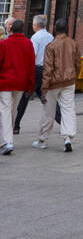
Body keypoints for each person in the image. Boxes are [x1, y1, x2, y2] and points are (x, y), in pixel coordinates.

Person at [35, 19, 80, 153]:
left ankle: (42, 139)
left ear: (55, 29)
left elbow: (48, 69)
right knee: (68, 110)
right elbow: (78, 63)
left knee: (49, 111)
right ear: (67, 29)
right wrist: (75, 75)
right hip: (69, 81)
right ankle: (68, 138)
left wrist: (44, 88)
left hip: (53, 83)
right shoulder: (74, 44)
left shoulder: (51, 46)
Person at [0, 19, 36, 154]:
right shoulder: (28, 44)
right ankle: (5, 139)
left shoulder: (4, 44)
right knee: (13, 111)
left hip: (5, 82)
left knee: (4, 111)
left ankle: (7, 141)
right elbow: (30, 66)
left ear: (11, 29)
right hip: (21, 83)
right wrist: (30, 86)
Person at [13, 14, 52, 134]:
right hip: (47, 69)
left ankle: (16, 125)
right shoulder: (51, 37)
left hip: (36, 70)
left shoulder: (35, 38)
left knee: (25, 98)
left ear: (35, 25)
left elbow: (32, 56)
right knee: (46, 98)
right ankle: (63, 121)